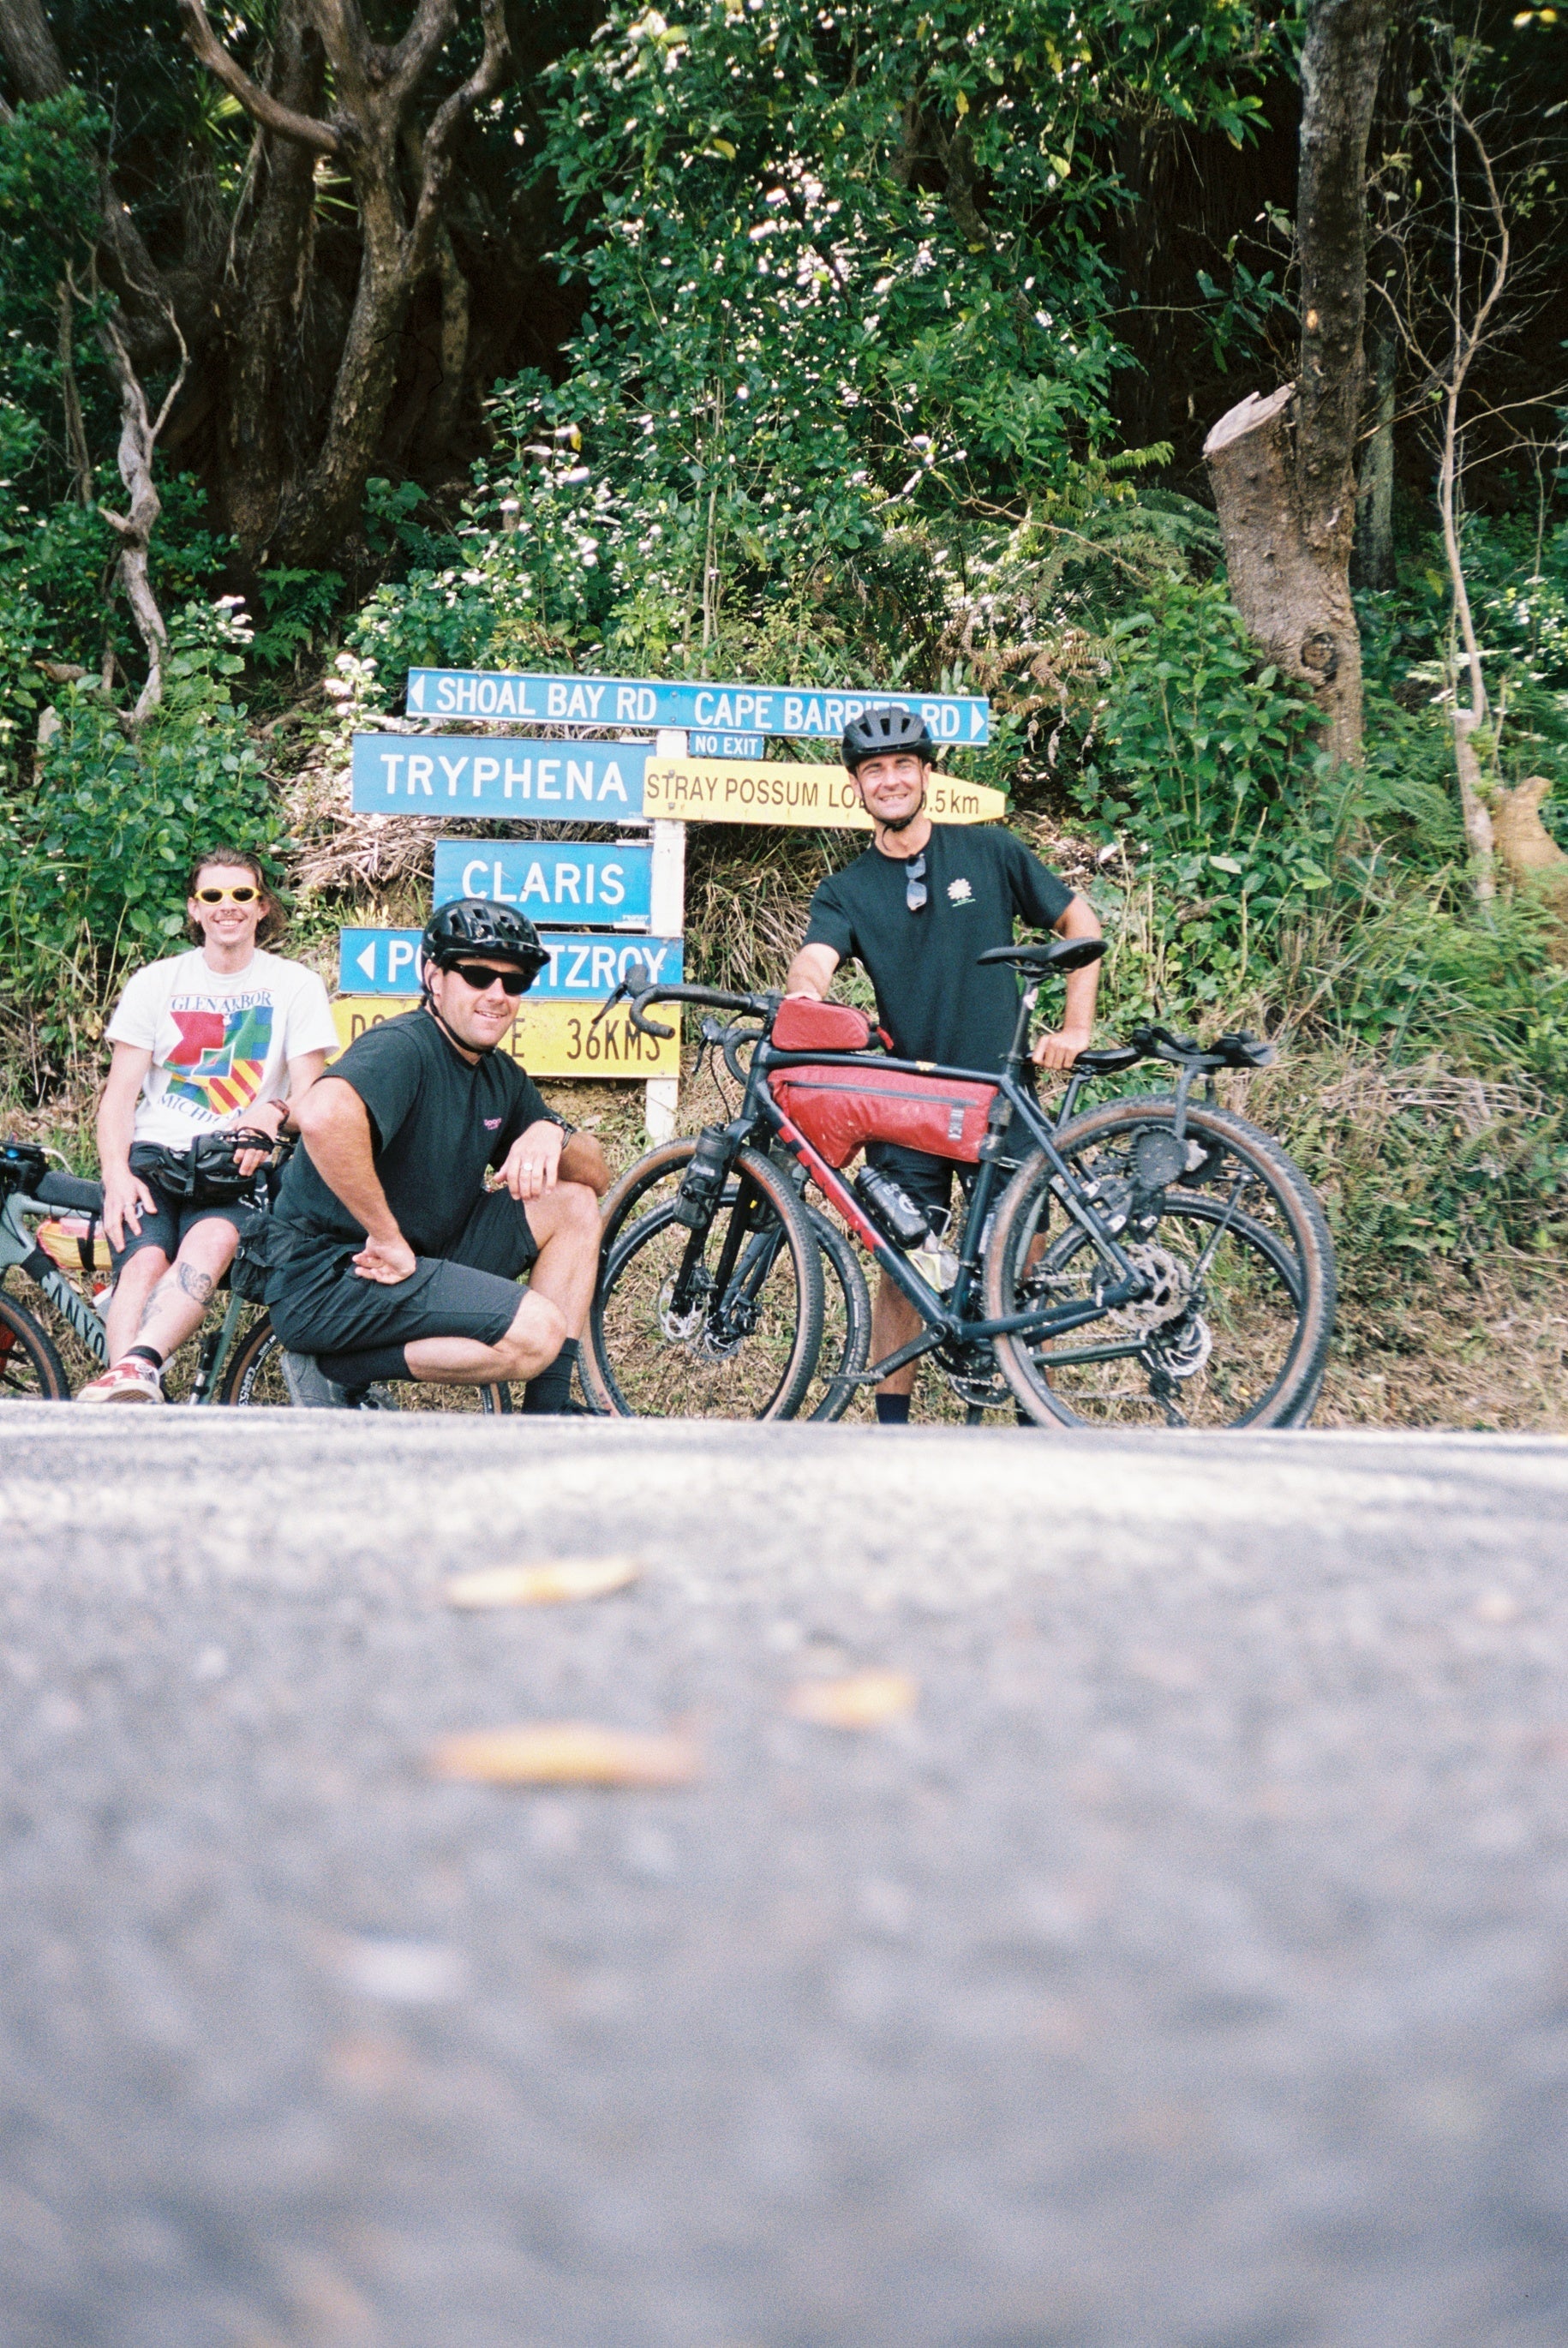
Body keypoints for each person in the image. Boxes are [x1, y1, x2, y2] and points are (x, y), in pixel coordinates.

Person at [782, 706, 1102, 1424]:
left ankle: (1030, 1420)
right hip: (909, 1101)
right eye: (874, 771)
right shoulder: (847, 889)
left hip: (1000, 1093)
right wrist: (805, 993)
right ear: (857, 788)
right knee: (901, 1268)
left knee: (1019, 1263)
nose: (890, 780)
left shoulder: (990, 851)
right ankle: (892, 1433)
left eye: (903, 766)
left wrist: (1075, 1027)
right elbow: (818, 956)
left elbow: (1080, 924)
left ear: (926, 774)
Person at [263, 898, 608, 1410]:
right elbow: (321, 1116)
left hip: (424, 1258)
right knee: (538, 1331)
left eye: (514, 983)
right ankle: (338, 1368)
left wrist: (548, 1129)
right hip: (336, 1274)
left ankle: (547, 1412)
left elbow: (597, 1175)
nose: (497, 995)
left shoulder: (499, 1075)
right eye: (476, 975)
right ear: (434, 975)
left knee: (574, 1202)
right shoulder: (404, 1046)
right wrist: (385, 1235)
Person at [79, 847, 338, 1404]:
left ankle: (134, 1368)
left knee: (212, 1242)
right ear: (195, 909)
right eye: (214, 896)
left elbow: (310, 1092)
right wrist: (115, 1176)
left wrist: (273, 1113)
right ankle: (130, 1398)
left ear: (262, 906)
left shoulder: (295, 985)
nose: (229, 907)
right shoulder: (156, 982)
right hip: (155, 1158)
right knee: (145, 1259)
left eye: (241, 895)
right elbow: (119, 1095)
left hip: (235, 1163)